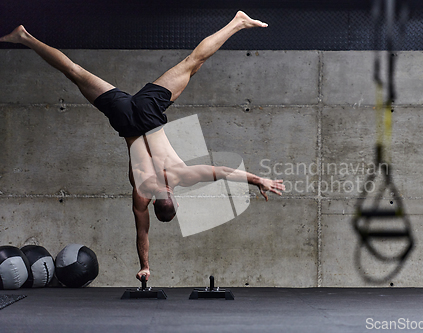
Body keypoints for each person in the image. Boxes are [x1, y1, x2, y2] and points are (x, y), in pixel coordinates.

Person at [0, 11, 285, 282]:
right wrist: (144, 266)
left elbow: (223, 171)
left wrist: (259, 180)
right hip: (125, 120)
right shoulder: (141, 193)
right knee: (74, 71)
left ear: (173, 195)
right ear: (154, 202)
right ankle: (25, 37)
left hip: (149, 114)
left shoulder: (179, 177)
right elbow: (143, 233)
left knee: (193, 62)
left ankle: (237, 22)